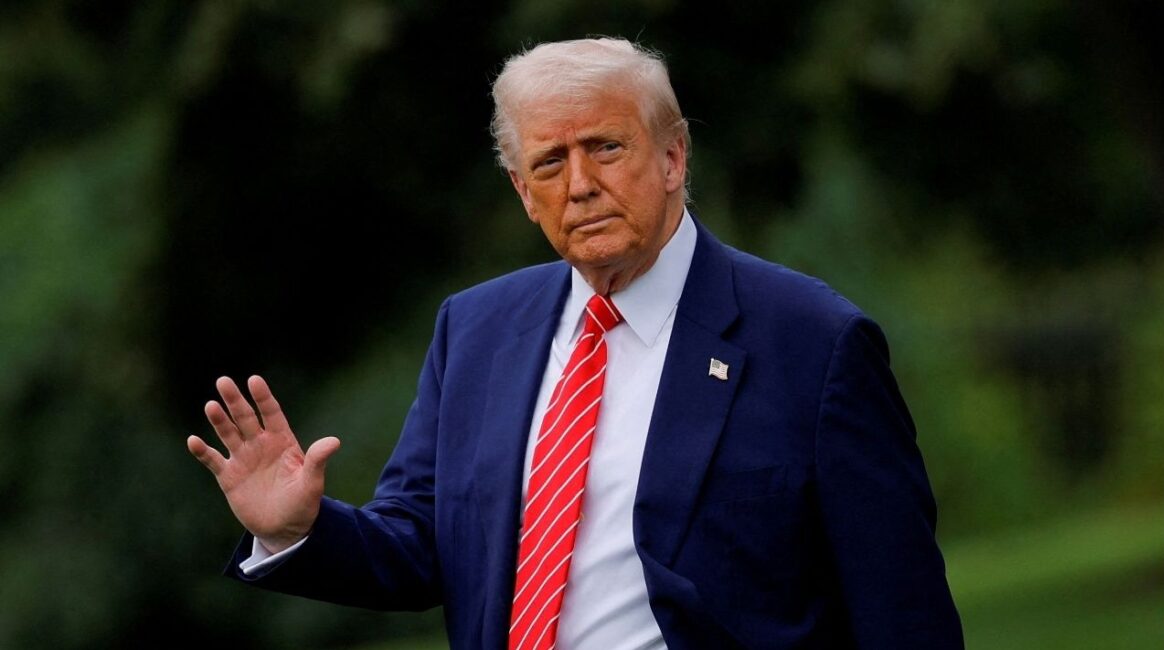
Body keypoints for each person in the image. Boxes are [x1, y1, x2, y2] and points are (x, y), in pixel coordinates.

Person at [187, 37, 964, 649]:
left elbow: (902, 609)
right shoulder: (475, 330)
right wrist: (297, 529)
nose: (581, 184)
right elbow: (424, 544)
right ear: (523, 192)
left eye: (606, 148)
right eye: (550, 163)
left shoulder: (812, 341)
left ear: (673, 156)